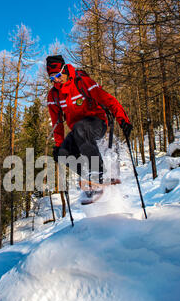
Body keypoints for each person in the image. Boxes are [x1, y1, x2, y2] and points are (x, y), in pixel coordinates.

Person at [46, 55, 132, 201]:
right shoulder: (53, 96)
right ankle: (90, 180)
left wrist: (123, 119)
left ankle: (98, 174)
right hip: (79, 131)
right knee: (63, 153)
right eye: (52, 78)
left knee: (81, 128)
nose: (56, 80)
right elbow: (57, 123)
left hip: (97, 122)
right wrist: (58, 145)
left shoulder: (82, 82)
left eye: (58, 75)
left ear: (64, 69)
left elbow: (108, 100)